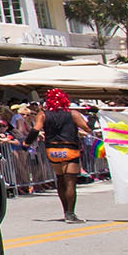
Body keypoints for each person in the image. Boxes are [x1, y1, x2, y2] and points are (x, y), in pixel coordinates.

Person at [40, 88, 91, 222]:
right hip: (69, 148)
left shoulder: (43, 114)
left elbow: (35, 130)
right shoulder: (73, 114)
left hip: (52, 150)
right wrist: (93, 115)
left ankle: (65, 211)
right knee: (70, 183)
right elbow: (87, 128)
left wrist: (26, 144)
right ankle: (70, 213)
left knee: (60, 180)